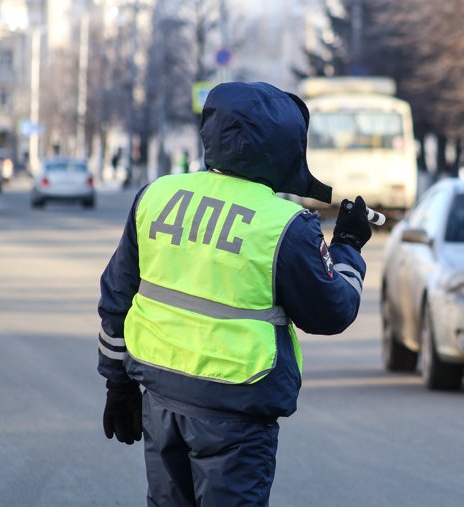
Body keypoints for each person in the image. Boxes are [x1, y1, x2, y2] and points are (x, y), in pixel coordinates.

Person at [97, 82, 372, 506]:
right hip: (235, 409)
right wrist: (349, 245)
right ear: (284, 147)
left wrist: (118, 385)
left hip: (161, 399)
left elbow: (118, 296)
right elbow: (332, 310)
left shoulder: (158, 195)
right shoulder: (283, 224)